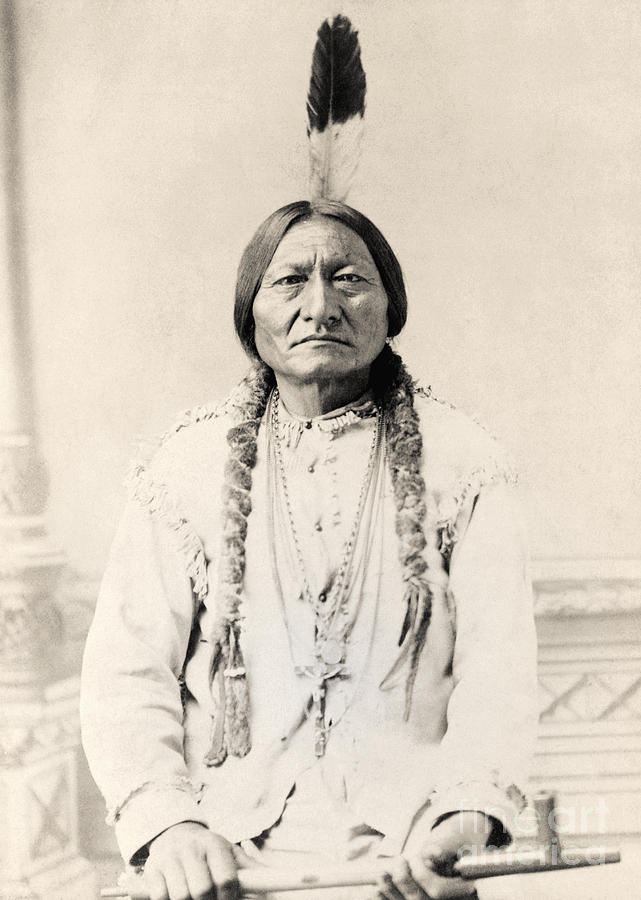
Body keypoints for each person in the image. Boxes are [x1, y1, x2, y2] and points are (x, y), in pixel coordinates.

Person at [81, 199, 538, 900]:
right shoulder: (185, 467)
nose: (319, 305)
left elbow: (497, 673)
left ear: (390, 308)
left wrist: (464, 816)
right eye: (290, 280)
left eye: (349, 278)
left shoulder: (465, 464)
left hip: (410, 860)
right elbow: (125, 672)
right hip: (221, 861)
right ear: (250, 317)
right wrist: (170, 827)